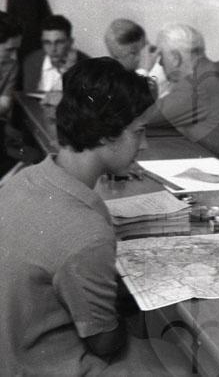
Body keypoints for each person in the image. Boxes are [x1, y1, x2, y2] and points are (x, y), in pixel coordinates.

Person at [0, 57, 187, 375]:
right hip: (44, 366)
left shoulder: (24, 179)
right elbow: (104, 343)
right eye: (139, 132)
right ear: (105, 134)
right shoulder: (86, 231)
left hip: (12, 351)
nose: (144, 144)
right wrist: (121, 307)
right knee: (181, 361)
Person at [145, 23, 219, 175]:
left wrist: (144, 70)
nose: (161, 64)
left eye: (161, 57)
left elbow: (143, 116)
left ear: (175, 58)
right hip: (216, 168)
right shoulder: (210, 73)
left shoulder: (199, 83)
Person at [22, 14, 89, 92]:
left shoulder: (86, 65)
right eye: (47, 42)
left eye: (59, 42)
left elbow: (83, 98)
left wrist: (71, 71)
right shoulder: (32, 61)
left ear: (70, 42)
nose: (53, 49)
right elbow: (27, 96)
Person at [104, 18, 169, 97]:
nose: (142, 56)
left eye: (144, 45)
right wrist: (143, 71)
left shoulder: (162, 62)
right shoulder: (111, 84)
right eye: (133, 53)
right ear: (115, 58)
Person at [0, 11, 22, 175]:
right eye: (9, 49)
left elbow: (5, 104)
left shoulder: (12, 66)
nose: (14, 56)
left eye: (16, 49)